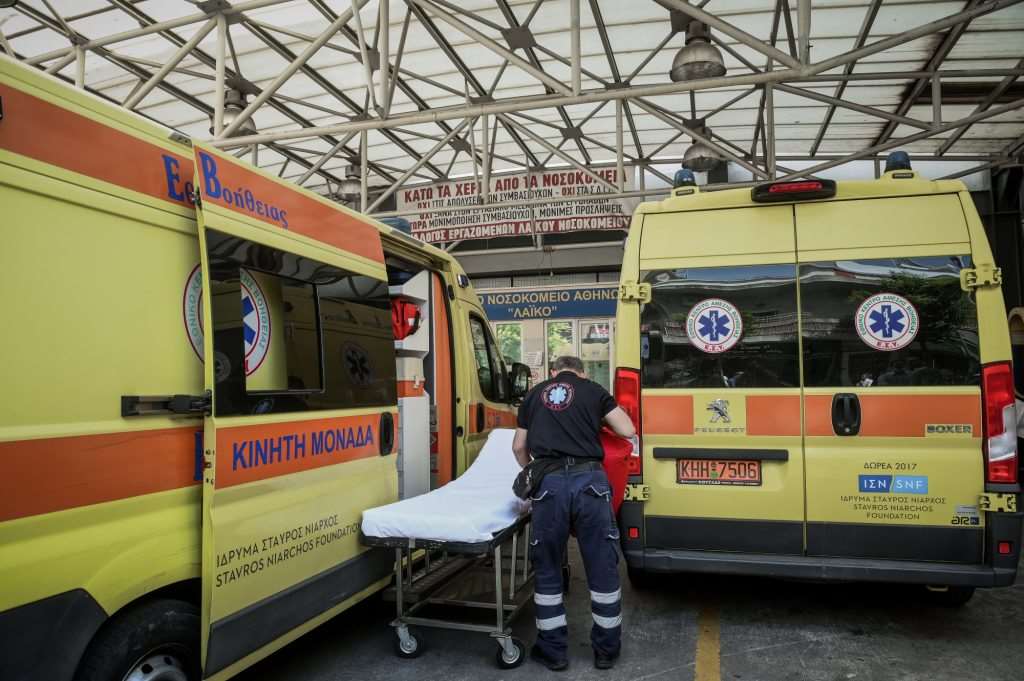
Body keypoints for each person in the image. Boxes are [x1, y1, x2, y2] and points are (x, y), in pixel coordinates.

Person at [512, 355, 637, 672]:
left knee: (548, 566)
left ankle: (553, 651)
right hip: (590, 482)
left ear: (553, 372)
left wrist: (533, 471)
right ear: (581, 372)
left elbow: (518, 447)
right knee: (602, 566)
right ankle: (606, 651)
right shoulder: (593, 390)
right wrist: (598, 423)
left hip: (549, 485)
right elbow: (627, 429)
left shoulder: (534, 394)